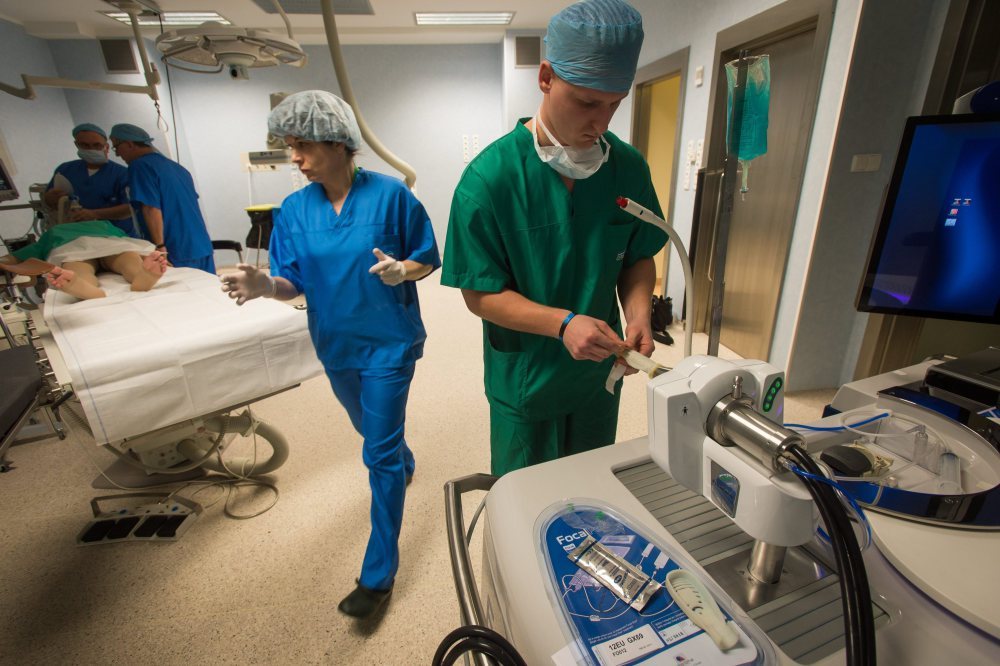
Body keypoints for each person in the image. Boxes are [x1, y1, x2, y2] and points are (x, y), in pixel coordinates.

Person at [219, 91, 440, 619]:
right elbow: (291, 282)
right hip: (335, 345)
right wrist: (264, 285)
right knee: (370, 430)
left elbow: (427, 258)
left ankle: (378, 575)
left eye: (302, 145)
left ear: (338, 142)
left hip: (388, 343)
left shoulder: (392, 196)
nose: (294, 158)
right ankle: (403, 458)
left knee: (377, 455)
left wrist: (402, 271)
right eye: (289, 147)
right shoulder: (294, 210)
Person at [441, 0, 666, 476]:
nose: (601, 123)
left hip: (597, 375)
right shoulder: (489, 180)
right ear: (546, 77)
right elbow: (479, 294)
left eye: (614, 104)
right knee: (524, 498)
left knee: (592, 485)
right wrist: (562, 325)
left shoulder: (627, 167)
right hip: (528, 378)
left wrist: (639, 314)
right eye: (586, 103)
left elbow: (638, 256)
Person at [109, 123, 216, 273]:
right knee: (208, 286)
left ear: (129, 144)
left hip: (175, 248)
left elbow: (150, 208)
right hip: (200, 245)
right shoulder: (177, 168)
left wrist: (159, 246)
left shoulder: (140, 166)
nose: (117, 154)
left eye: (116, 147)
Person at [0, 220, 166, 300]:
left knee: (78, 270)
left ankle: (83, 287)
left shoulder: (55, 231)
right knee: (129, 259)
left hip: (73, 250)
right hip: (112, 244)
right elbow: (129, 241)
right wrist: (152, 259)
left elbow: (12, 258)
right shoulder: (105, 224)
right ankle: (140, 275)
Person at [44, 123, 137, 236]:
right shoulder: (65, 170)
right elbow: (49, 201)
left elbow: (130, 209)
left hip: (115, 235)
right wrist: (49, 198)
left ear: (106, 147)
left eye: (97, 145)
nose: (91, 149)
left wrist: (95, 214)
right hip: (75, 234)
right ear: (77, 145)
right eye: (85, 145)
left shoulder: (122, 174)